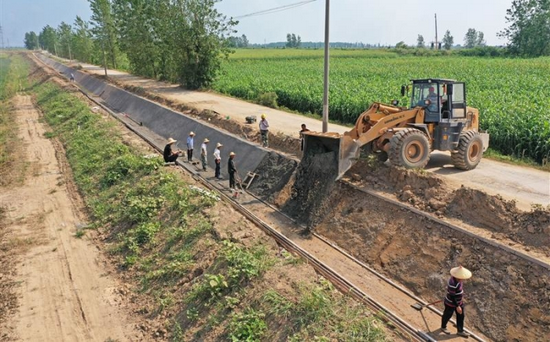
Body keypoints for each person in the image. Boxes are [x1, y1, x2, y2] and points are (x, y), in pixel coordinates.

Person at [441, 266, 472, 338]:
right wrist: (457, 306)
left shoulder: (459, 281)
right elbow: (452, 296)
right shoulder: (452, 283)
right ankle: (443, 327)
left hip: (459, 302)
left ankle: (460, 330)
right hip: (450, 303)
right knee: (447, 315)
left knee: (461, 315)